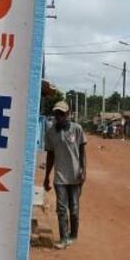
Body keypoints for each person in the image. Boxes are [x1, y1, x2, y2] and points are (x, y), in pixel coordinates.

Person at [44, 101, 86, 249]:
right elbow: (50, 156)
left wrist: (83, 171)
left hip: (75, 176)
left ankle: (73, 234)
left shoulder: (77, 129)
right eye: (57, 114)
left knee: (74, 209)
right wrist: (46, 177)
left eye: (62, 114)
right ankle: (64, 238)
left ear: (68, 114)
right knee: (62, 209)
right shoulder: (51, 133)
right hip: (60, 177)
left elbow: (82, 152)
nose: (59, 117)